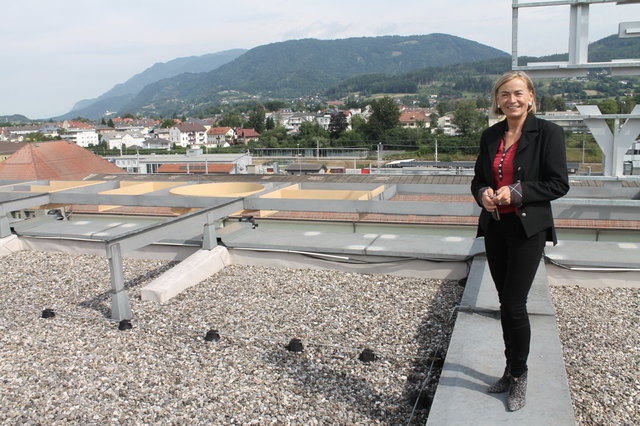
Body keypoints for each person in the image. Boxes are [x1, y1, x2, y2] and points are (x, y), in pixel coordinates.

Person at [470, 71, 569, 411]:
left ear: (530, 97)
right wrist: (483, 193)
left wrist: (515, 192)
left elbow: (558, 184)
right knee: (504, 303)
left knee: (514, 304)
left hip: (528, 231)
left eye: (517, 93)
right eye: (504, 95)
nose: (511, 100)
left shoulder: (549, 134)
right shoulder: (491, 135)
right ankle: (510, 368)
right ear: (497, 101)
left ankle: (519, 376)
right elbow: (478, 180)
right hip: (497, 228)